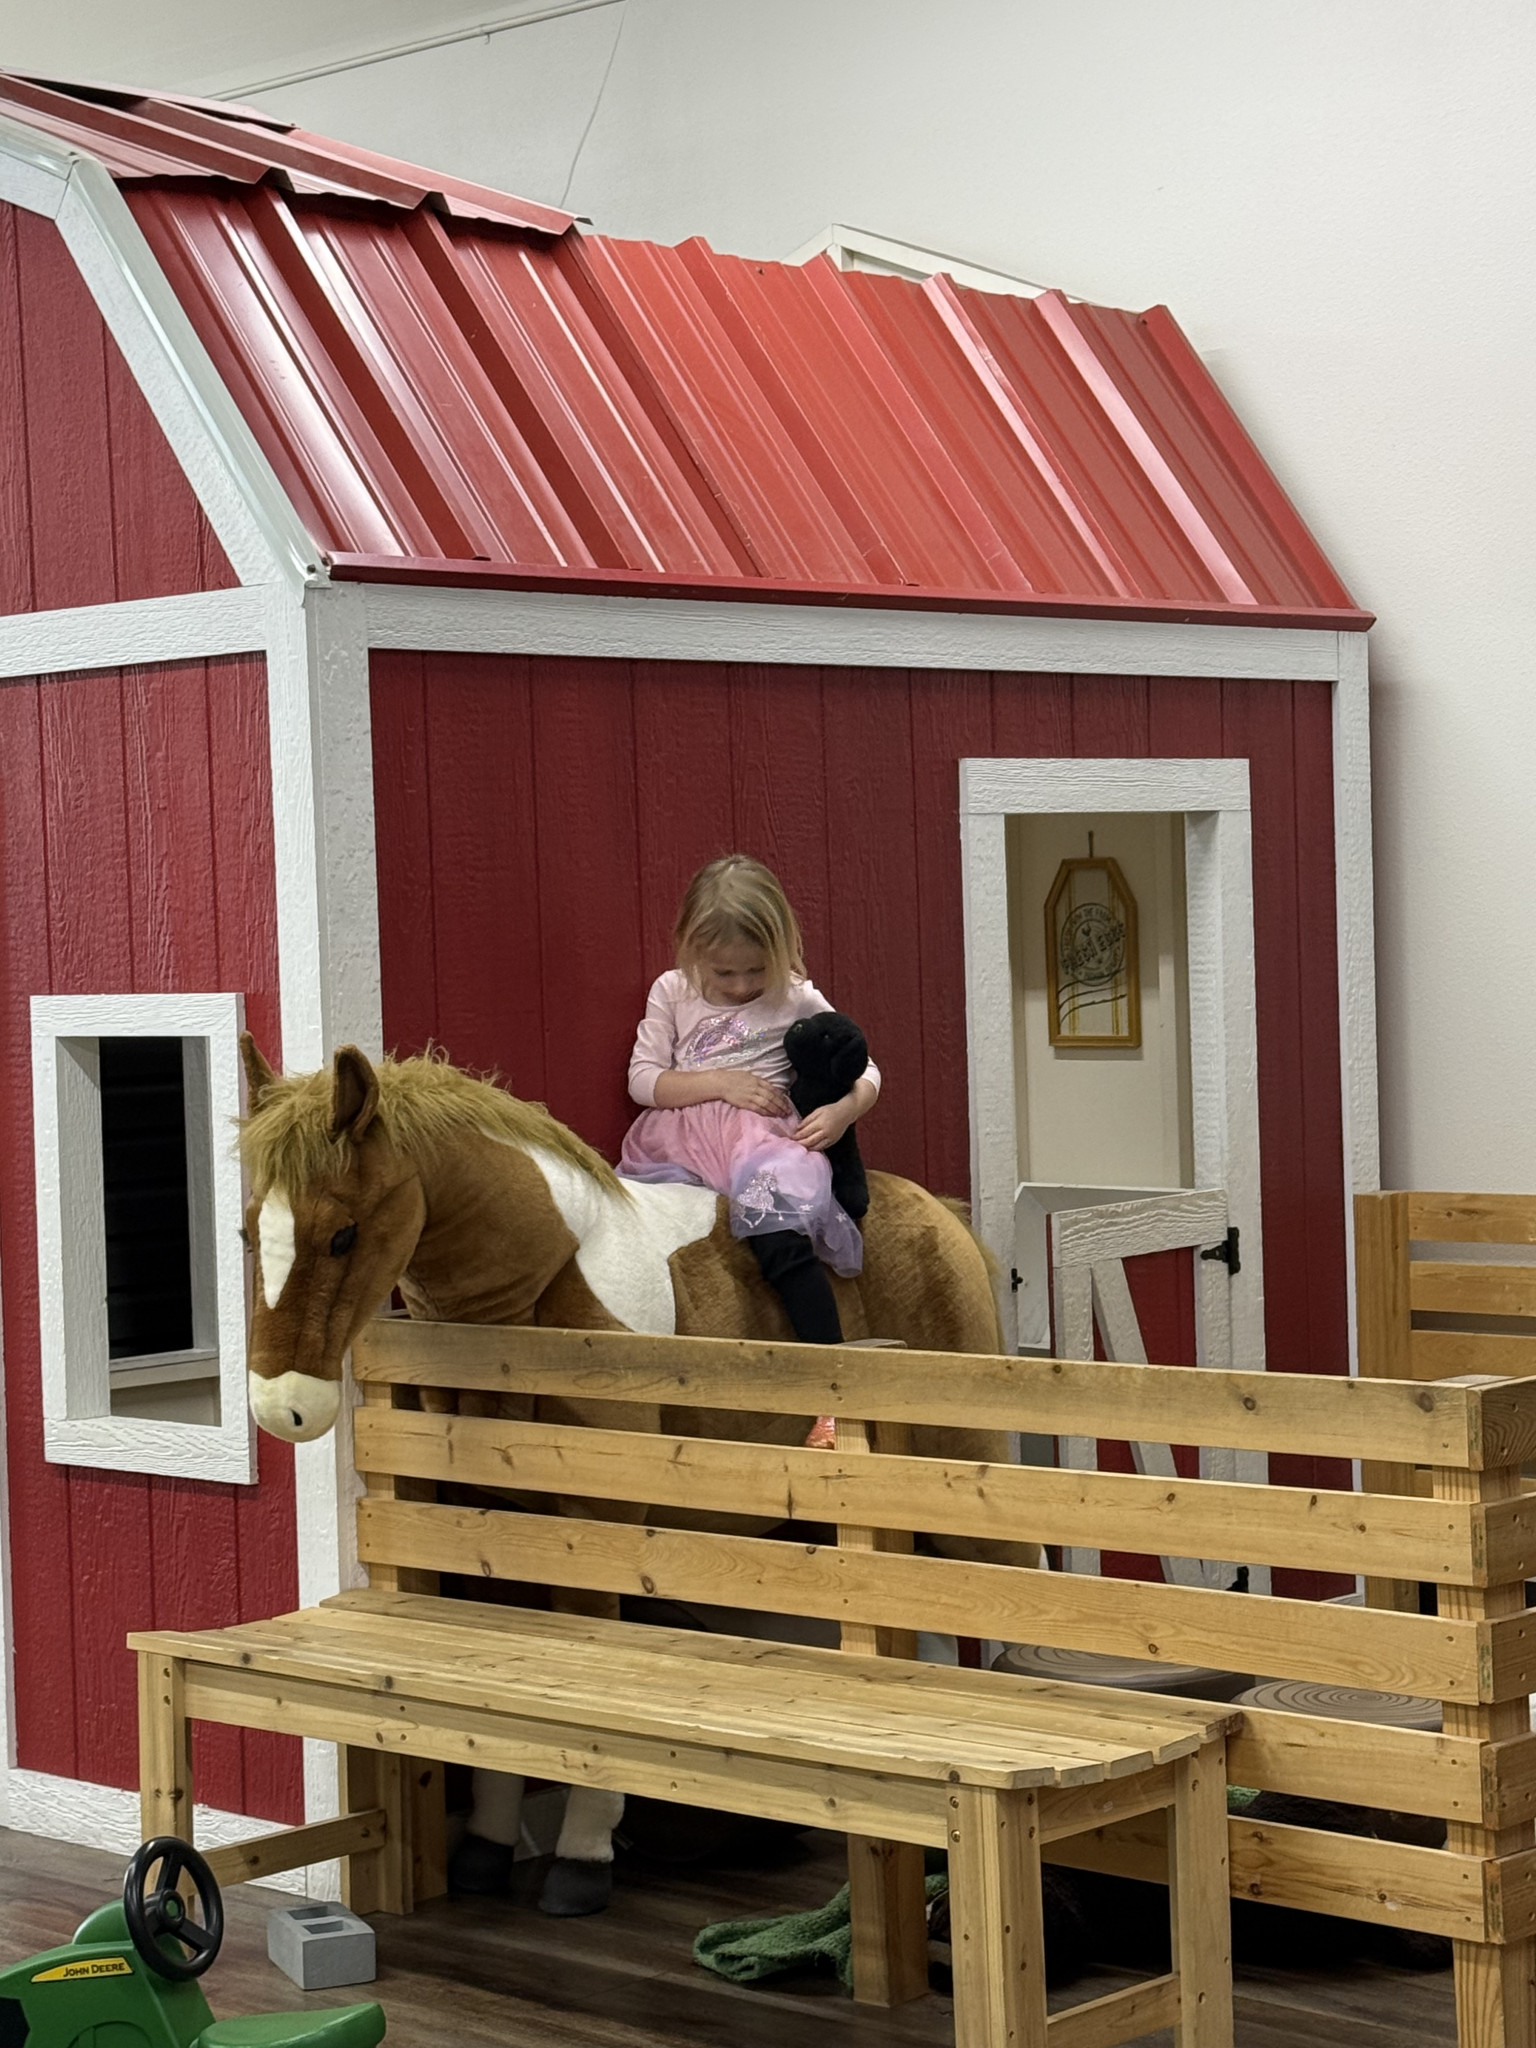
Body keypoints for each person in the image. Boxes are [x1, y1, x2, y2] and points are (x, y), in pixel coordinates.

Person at [620, 856, 878, 1438]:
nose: (740, 986)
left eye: (755, 970)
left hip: (762, 1145)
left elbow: (866, 1067)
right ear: (692, 948)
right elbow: (643, 1080)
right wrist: (720, 1083)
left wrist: (843, 1112)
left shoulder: (797, 995)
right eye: (724, 974)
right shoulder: (672, 990)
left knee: (781, 1242)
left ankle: (833, 1391)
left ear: (782, 947)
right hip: (681, 1144)